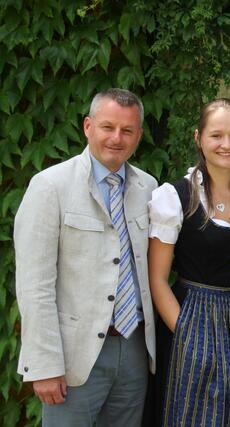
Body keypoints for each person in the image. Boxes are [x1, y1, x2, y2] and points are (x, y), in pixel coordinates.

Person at [14, 88, 157, 425]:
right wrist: (45, 365)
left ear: (138, 134)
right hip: (73, 356)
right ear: (88, 126)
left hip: (135, 348)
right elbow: (34, 285)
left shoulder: (148, 188)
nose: (117, 138)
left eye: (127, 130)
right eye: (108, 127)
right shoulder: (50, 186)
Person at [148, 98, 230, 426]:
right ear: (198, 137)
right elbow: (157, 279)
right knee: (193, 412)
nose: (226, 144)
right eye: (216, 135)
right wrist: (188, 334)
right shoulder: (175, 197)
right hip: (192, 316)